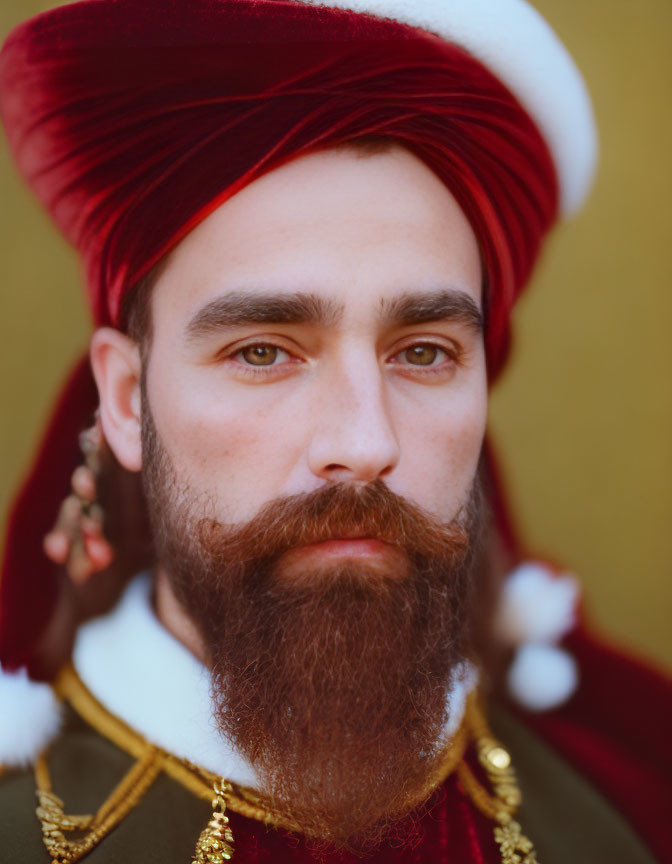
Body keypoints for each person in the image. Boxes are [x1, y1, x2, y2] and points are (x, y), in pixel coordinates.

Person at [0, 1, 669, 863]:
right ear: (127, 400)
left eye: (423, 352)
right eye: (264, 351)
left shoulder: (623, 820)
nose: (365, 440)